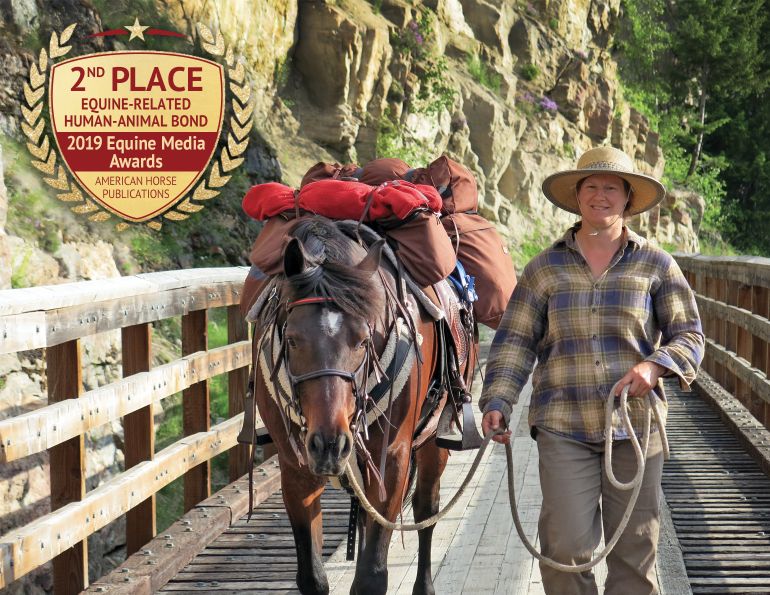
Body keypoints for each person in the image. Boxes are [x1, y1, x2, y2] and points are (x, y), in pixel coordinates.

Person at [480, 146, 704, 595]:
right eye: (591, 187)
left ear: (627, 199)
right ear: (577, 196)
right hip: (564, 425)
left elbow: (691, 336)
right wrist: (498, 400)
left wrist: (654, 367)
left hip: (636, 430)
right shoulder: (544, 268)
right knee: (564, 551)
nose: (599, 196)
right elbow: (515, 341)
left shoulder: (656, 264)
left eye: (610, 188)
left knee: (634, 555)